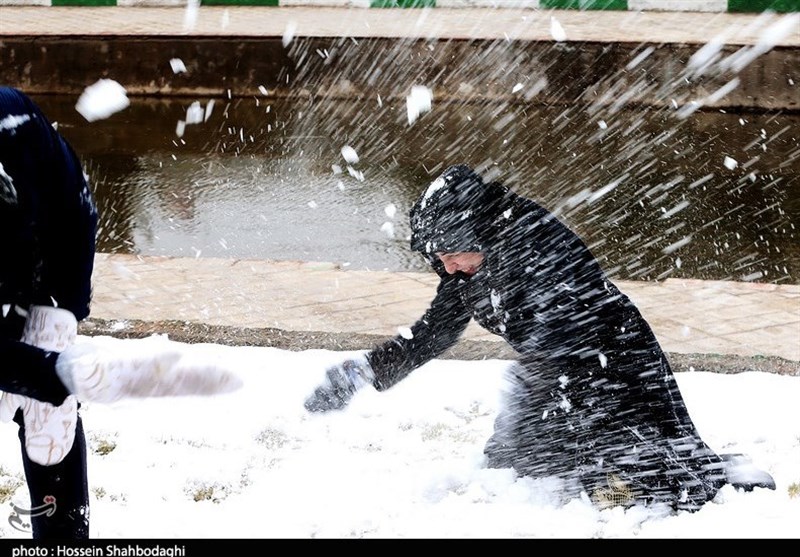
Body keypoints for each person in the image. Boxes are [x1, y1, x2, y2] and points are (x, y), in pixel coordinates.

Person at [304, 163, 776, 512]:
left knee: (639, 478)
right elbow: (437, 328)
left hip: (611, 356)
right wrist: (364, 369)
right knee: (520, 464)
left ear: (480, 232)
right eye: (437, 256)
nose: (447, 266)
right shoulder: (465, 261)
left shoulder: (538, 244)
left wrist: (535, 402)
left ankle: (729, 492)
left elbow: (562, 341)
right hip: (551, 366)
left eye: (452, 254)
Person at [0, 86, 242, 539]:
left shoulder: (13, 122)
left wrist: (61, 314)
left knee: (50, 427)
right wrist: (54, 373)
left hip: (36, 260)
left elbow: (73, 208)